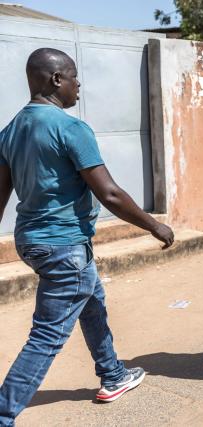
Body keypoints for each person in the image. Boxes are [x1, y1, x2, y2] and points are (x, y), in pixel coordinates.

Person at [0, 48, 174, 425]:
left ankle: (112, 374)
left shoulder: (11, 129)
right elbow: (108, 193)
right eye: (74, 76)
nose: (80, 84)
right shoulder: (69, 127)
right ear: (56, 80)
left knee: (91, 299)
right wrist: (154, 224)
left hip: (32, 240)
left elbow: (0, 194)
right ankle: (3, 413)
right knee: (46, 337)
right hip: (64, 244)